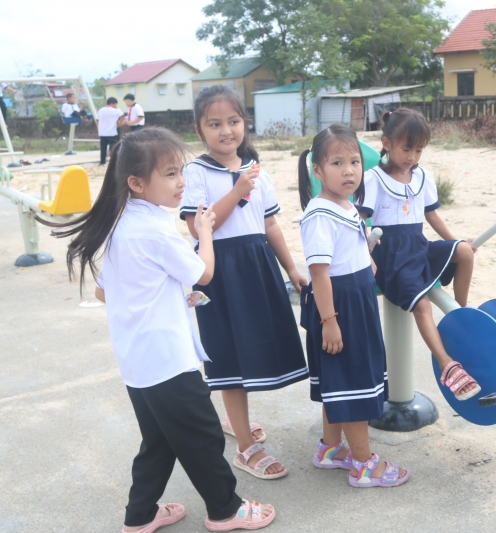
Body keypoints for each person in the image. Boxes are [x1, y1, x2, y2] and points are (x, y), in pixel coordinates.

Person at [47, 127, 275, 532]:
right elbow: (204, 273)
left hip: (138, 361)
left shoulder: (120, 223)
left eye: (180, 172)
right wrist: (205, 231)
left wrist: (168, 296)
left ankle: (140, 516)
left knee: (160, 441)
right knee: (205, 436)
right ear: (136, 182)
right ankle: (226, 510)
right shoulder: (153, 230)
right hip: (167, 361)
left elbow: (107, 293)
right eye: (169, 174)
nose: (181, 182)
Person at [180, 84, 308, 481]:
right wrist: (237, 190)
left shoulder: (258, 171)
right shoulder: (196, 172)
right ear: (200, 130)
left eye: (233, 121)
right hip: (218, 270)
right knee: (230, 358)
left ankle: (238, 422)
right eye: (214, 123)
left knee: (255, 349)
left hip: (257, 266)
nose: (226, 131)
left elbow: (270, 225)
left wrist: (291, 269)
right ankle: (244, 447)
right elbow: (198, 224)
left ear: (245, 123)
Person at [298, 124, 410, 488]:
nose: (349, 171)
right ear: (318, 170)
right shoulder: (318, 215)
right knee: (354, 383)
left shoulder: (346, 206)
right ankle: (364, 464)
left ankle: (331, 448)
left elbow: (351, 249)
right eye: (337, 162)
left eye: (354, 162)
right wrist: (329, 321)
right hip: (339, 306)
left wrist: (368, 260)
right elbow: (319, 274)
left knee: (339, 382)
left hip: (355, 301)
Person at [357, 108, 481, 402]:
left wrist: (455, 240)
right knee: (422, 306)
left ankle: (459, 315)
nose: (412, 156)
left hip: (418, 247)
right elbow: (361, 220)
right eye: (406, 148)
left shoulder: (422, 176)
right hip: (391, 255)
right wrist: (366, 253)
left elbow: (432, 216)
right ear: (387, 144)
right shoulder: (373, 179)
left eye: (419, 150)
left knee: (464, 251)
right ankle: (447, 365)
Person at [97, 97, 125, 165]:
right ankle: (113, 163)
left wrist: (99, 129)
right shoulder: (115, 110)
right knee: (113, 148)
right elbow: (122, 117)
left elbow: (97, 120)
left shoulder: (101, 110)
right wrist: (118, 124)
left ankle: (102, 162)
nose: (116, 106)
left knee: (103, 148)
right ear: (112, 103)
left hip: (103, 133)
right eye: (115, 104)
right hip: (112, 132)